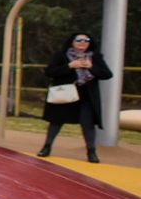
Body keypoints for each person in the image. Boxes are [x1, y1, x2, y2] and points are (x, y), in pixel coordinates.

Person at [38, 31, 112, 163]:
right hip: (65, 94)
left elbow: (107, 74)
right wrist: (69, 66)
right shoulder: (61, 55)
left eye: (86, 40)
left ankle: (91, 152)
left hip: (86, 97)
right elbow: (49, 72)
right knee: (56, 122)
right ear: (72, 42)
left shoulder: (95, 57)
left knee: (88, 124)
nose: (83, 42)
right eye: (79, 40)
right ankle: (46, 147)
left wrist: (91, 67)